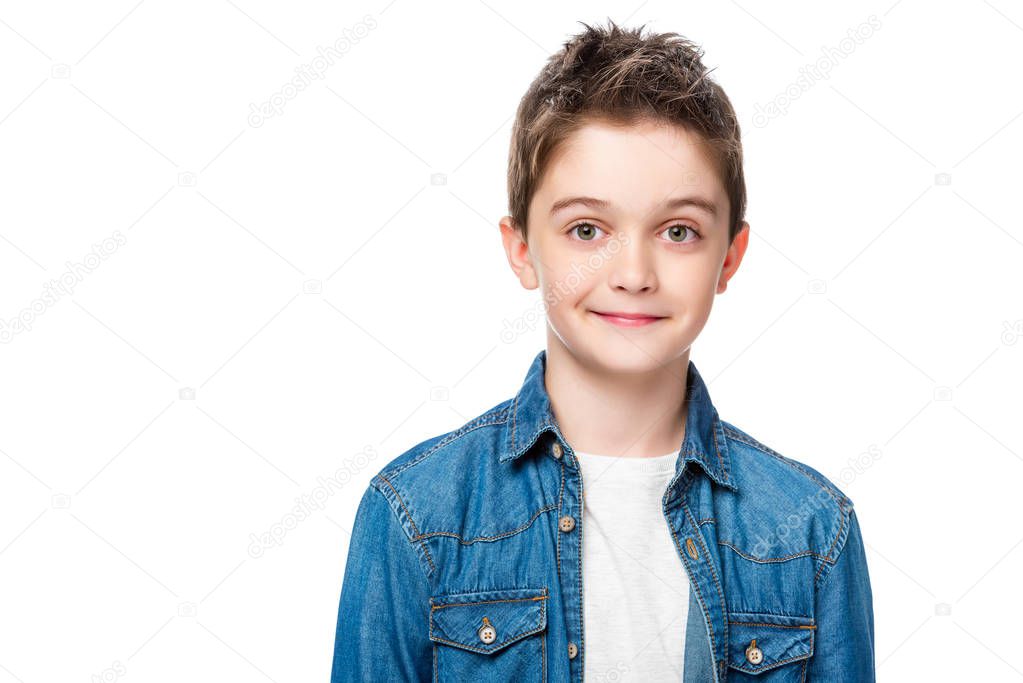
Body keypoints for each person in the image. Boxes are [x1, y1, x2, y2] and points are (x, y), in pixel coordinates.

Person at [330, 19, 874, 682]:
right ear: (522, 248)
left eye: (678, 230)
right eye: (587, 229)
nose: (633, 272)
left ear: (729, 256)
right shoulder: (417, 515)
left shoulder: (811, 531)